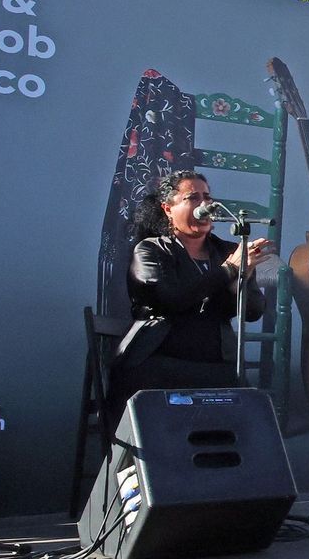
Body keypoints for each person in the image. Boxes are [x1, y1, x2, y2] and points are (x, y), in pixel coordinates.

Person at [111, 171, 272, 426]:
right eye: (192, 197)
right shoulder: (151, 249)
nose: (203, 204)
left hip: (215, 365)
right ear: (168, 209)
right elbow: (171, 298)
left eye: (207, 197)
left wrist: (240, 280)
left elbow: (253, 312)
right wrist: (229, 270)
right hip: (158, 361)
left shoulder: (228, 251)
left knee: (245, 409)